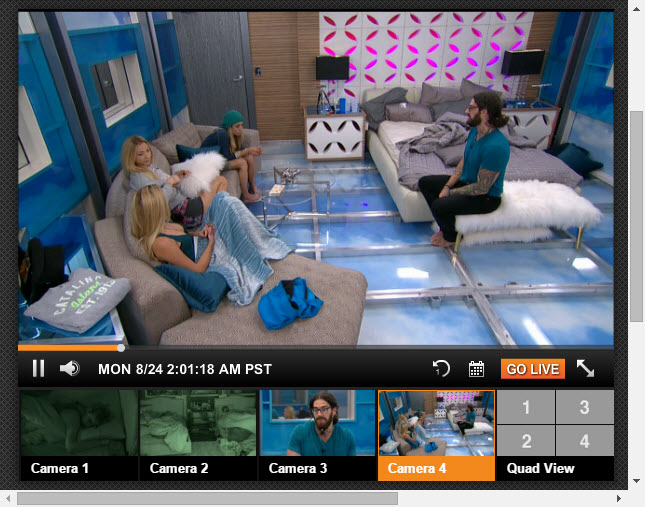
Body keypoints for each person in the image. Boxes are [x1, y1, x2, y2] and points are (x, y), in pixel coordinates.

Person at [418, 91, 511, 248]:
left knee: (439, 205)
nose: (466, 111)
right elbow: (464, 160)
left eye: (471, 108)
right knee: (425, 183)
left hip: (486, 198)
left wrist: (450, 193)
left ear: (484, 112)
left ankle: (451, 236)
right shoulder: (475, 131)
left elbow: (482, 188)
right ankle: (445, 227)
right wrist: (448, 185)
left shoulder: (496, 147)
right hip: (467, 183)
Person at [121, 135, 228, 230]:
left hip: (183, 201)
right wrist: (170, 183)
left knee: (215, 186)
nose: (147, 156)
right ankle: (210, 220)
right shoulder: (140, 178)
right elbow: (157, 202)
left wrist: (177, 176)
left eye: (148, 151)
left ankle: (213, 217)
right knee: (221, 181)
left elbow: (165, 181)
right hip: (180, 211)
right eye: (141, 154)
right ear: (131, 157)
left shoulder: (149, 168)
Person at [130, 185, 216, 272]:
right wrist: (211, 243)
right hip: (209, 257)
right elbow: (198, 269)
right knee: (221, 200)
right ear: (157, 211)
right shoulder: (161, 243)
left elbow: (183, 238)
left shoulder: (160, 224)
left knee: (220, 199)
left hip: (202, 242)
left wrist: (198, 233)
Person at [201, 110, 263, 203]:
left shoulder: (233, 134)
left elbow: (240, 149)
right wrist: (246, 151)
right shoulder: (223, 135)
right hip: (211, 163)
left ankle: (252, 185)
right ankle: (246, 196)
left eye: (241, 125)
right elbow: (227, 157)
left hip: (221, 158)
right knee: (242, 163)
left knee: (249, 157)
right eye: (237, 126)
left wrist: (252, 151)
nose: (240, 129)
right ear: (230, 127)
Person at [286, 392, 356, 456]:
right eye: (315, 410)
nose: (319, 414)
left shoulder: (346, 437)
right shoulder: (300, 432)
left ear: (334, 411)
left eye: (324, 409)